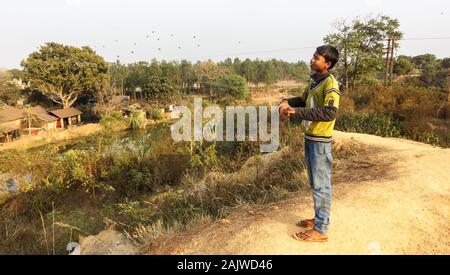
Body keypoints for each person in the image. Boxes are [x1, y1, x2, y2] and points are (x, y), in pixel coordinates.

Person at [280, 45, 340, 242]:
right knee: (316, 183)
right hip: (311, 138)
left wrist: (296, 112)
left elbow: (329, 112)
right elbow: (302, 100)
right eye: (313, 56)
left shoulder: (330, 84)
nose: (312, 60)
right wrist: (285, 101)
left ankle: (321, 229)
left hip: (320, 142)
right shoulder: (315, 82)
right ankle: (318, 219)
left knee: (322, 185)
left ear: (327, 64)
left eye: (317, 58)